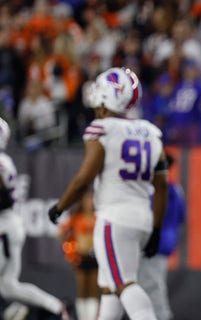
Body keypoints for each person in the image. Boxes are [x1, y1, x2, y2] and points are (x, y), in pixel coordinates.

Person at [47, 67, 168, 320]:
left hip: (115, 217)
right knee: (110, 287)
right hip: (142, 217)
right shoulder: (151, 132)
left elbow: (84, 179)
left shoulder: (103, 129)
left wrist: (60, 207)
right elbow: (161, 187)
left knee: (125, 284)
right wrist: (156, 228)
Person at [0, 117, 70, 319]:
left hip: (4, 227)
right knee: (8, 286)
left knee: (7, 285)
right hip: (9, 225)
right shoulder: (5, 161)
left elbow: (3, 198)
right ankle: (56, 307)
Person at [138, 153, 185, 320]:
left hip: (153, 242)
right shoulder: (176, 189)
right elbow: (181, 217)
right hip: (165, 242)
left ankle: (163, 317)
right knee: (152, 284)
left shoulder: (155, 189)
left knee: (151, 285)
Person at [58, 190, 98, 320]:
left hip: (95, 257)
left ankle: (92, 317)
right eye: (87, 199)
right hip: (80, 257)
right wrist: (70, 246)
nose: (89, 203)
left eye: (92, 199)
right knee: (82, 290)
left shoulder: (99, 218)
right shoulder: (76, 218)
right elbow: (61, 233)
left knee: (93, 290)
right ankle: (83, 317)